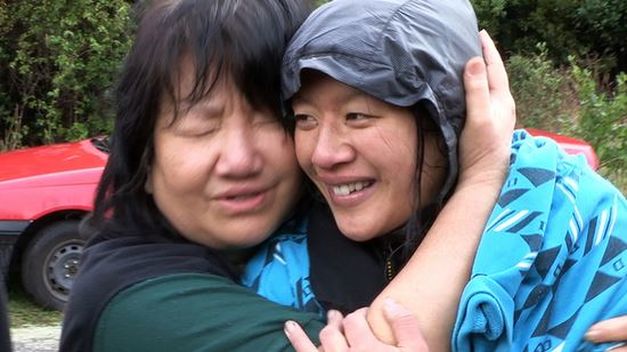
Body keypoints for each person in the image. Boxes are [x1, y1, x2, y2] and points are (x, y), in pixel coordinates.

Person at [60, 0, 518, 351]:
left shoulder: (324, 230)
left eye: (272, 118)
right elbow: (392, 340)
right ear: (143, 155)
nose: (240, 159)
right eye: (201, 125)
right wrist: (482, 175)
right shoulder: (134, 306)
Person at [246, 0, 627, 351]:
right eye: (304, 119)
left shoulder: (575, 221)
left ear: (448, 116)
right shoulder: (279, 268)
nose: (324, 154)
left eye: (356, 116)